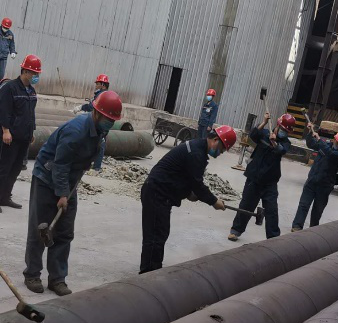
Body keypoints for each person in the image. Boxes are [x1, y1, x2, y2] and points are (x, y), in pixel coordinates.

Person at [23, 91, 123, 296]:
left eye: (113, 120)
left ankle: (57, 279)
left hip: (69, 181)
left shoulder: (100, 129)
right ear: (96, 113)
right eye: (107, 119)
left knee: (64, 232)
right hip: (47, 177)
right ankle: (32, 274)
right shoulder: (75, 131)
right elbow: (60, 165)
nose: (110, 123)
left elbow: (93, 152)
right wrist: (61, 195)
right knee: (40, 228)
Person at [139, 126, 236, 273]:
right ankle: (148, 273)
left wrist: (188, 192)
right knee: (155, 237)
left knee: (160, 234)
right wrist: (214, 201)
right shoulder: (197, 153)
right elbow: (197, 185)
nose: (220, 153)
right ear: (216, 140)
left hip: (160, 193)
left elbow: (184, 176)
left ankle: (152, 270)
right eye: (221, 150)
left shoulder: (197, 147)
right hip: (157, 194)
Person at [0, 54, 42, 213]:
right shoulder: (10, 88)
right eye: (34, 73)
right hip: (10, 136)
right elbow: (3, 111)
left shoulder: (31, 91)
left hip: (24, 137)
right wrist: (5, 130)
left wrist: (31, 131)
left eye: (38, 73)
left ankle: (5, 196)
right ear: (25, 71)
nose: (36, 76)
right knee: (2, 167)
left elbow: (30, 113)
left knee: (16, 168)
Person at [228, 112, 293, 241]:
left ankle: (273, 238)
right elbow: (253, 135)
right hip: (254, 177)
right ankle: (236, 230)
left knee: (272, 210)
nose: (284, 133)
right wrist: (263, 122)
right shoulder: (264, 133)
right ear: (278, 125)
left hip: (270, 182)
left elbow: (281, 150)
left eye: (286, 131)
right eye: (283, 129)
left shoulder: (285, 142)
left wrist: (274, 142)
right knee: (246, 205)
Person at [291, 127, 338, 231]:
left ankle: (313, 231)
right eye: (337, 141)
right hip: (312, 180)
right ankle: (297, 227)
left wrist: (319, 139)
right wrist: (310, 133)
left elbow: (330, 153)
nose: (337, 143)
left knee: (317, 211)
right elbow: (311, 144)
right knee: (303, 205)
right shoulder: (326, 144)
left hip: (325, 186)